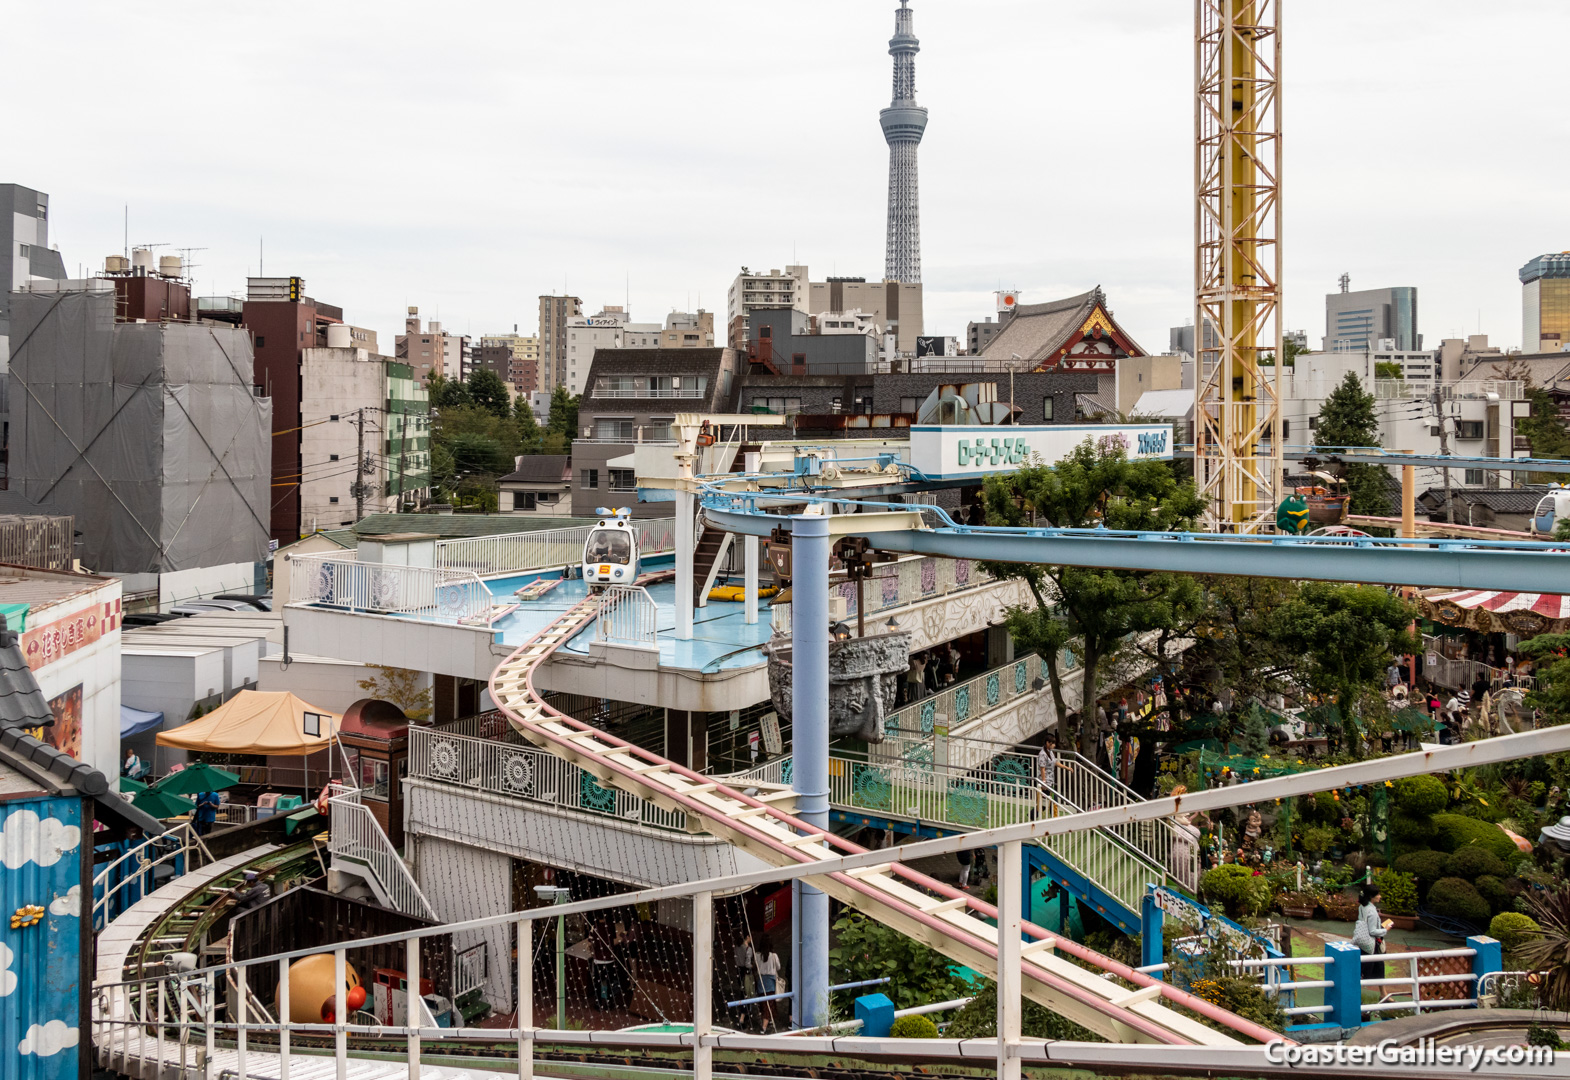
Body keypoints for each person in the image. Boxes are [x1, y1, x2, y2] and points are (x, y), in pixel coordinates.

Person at [753, 936, 782, 1031]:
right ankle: (764, 1027)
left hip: (761, 982)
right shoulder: (774, 956)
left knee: (763, 1003)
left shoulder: (757, 955)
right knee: (770, 1003)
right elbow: (778, 967)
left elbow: (755, 966)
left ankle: (766, 1020)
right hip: (771, 983)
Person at [1351, 886, 1388, 955]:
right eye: (1378, 895)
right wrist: (1385, 929)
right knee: (1376, 964)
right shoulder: (1372, 911)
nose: (1380, 896)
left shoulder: (1362, 906)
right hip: (1372, 945)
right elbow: (1372, 931)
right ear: (1371, 896)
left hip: (1363, 940)